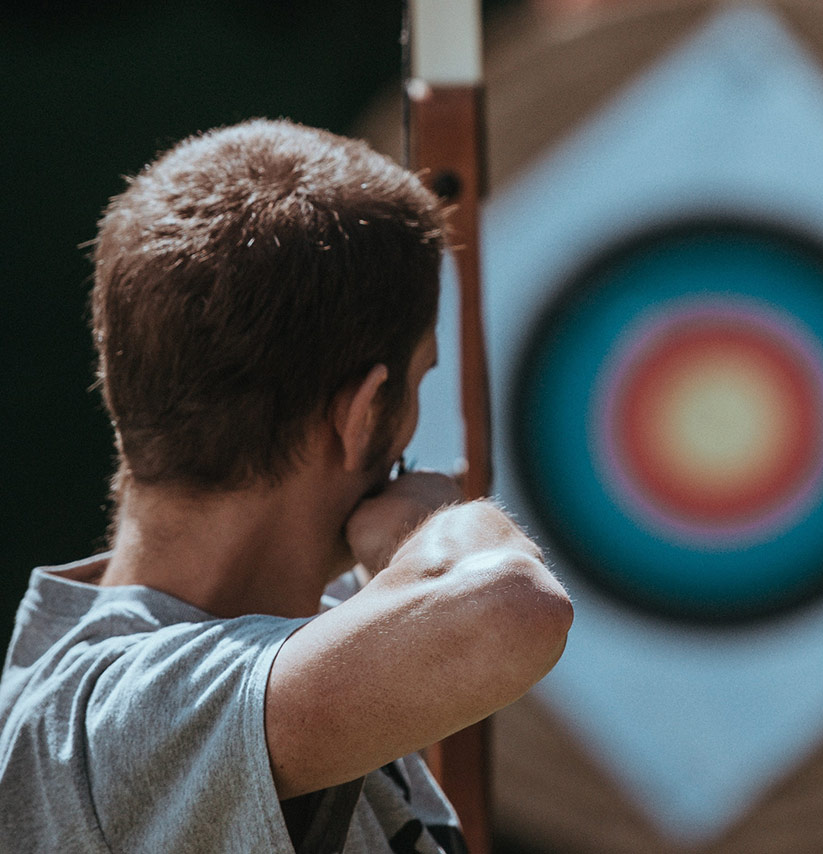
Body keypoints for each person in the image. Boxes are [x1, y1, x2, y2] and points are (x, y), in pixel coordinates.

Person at [0, 119, 573, 853]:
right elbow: (509, 609)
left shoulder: (323, 632)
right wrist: (430, 528)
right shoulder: (111, 721)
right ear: (364, 416)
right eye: (422, 378)